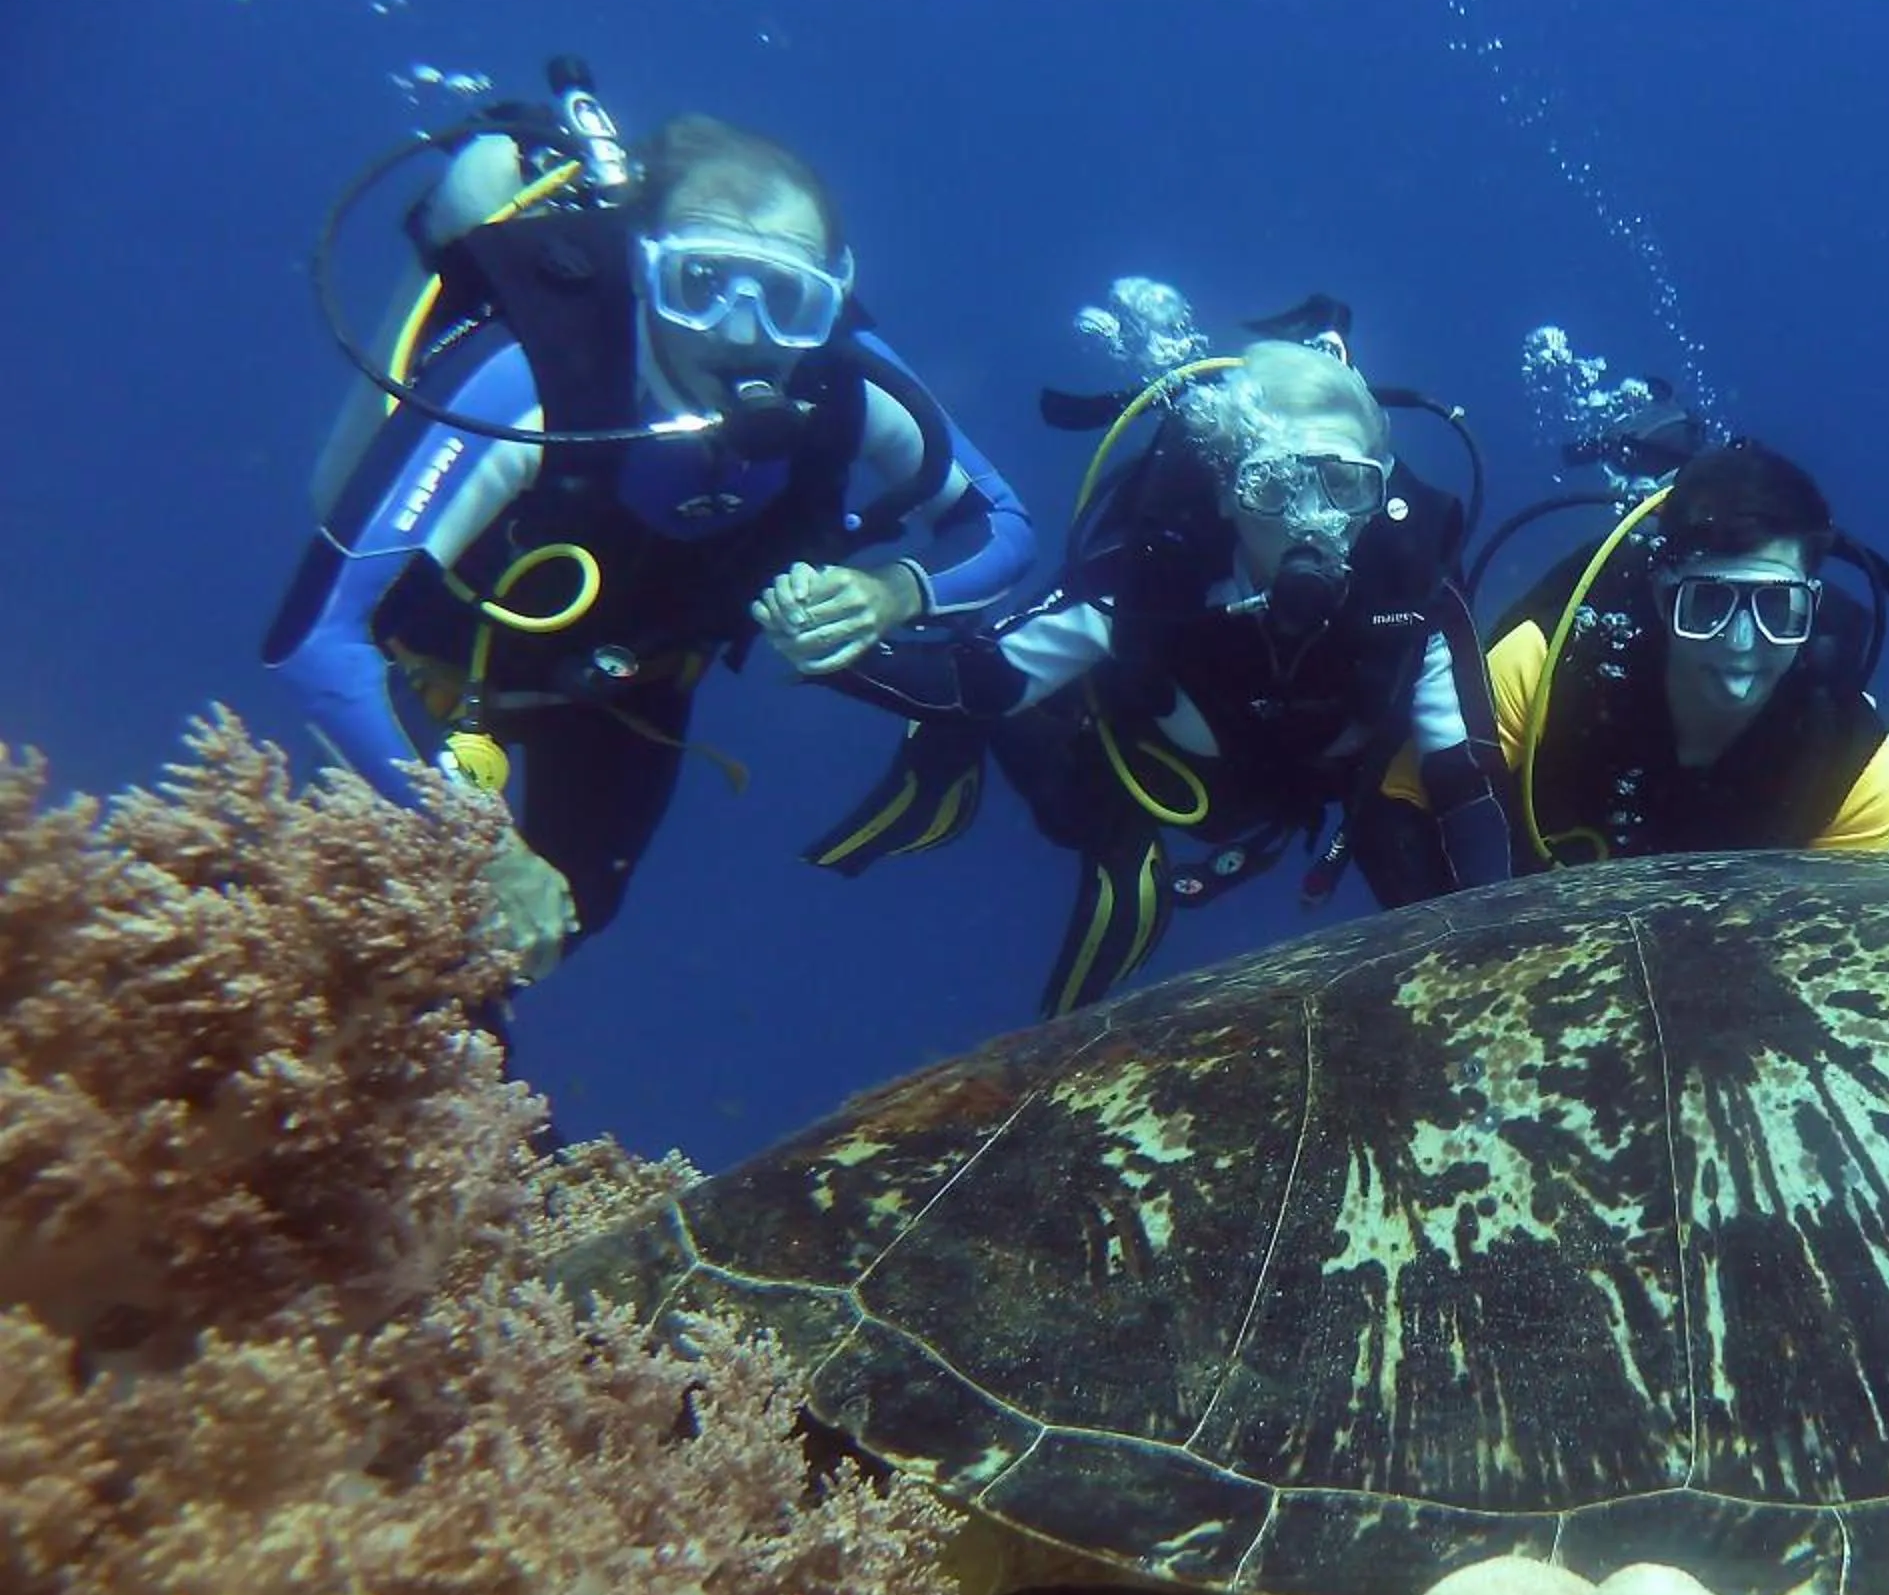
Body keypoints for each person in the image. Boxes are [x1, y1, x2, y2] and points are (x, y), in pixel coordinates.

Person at [264, 102, 1035, 985]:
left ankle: (464, 1078)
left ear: (831, 291)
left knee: (574, 910)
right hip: (435, 678)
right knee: (403, 914)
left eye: (786, 298)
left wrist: (890, 593)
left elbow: (1002, 523)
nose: (742, 332)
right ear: (641, 266)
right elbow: (313, 637)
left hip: (635, 686)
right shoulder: (533, 371)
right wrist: (474, 841)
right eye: (701, 282)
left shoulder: (844, 376)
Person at [784, 338, 1521, 1019]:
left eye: (1342, 483)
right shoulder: (1156, 573)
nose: (1312, 520)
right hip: (1154, 761)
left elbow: (1465, 777)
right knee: (1061, 789)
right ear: (1227, 490)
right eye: (1274, 485)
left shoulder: (1413, 585)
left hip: (1306, 784)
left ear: (1381, 486)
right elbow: (978, 684)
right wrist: (834, 646)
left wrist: (1502, 941)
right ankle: (991, 782)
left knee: (1416, 851)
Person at [1375, 439, 1889, 888]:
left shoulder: (1852, 764)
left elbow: (1839, 939)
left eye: (1777, 610)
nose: (1742, 642)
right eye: (1708, 605)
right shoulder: (1548, 664)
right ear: (1660, 596)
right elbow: (1400, 808)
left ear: (1812, 603)